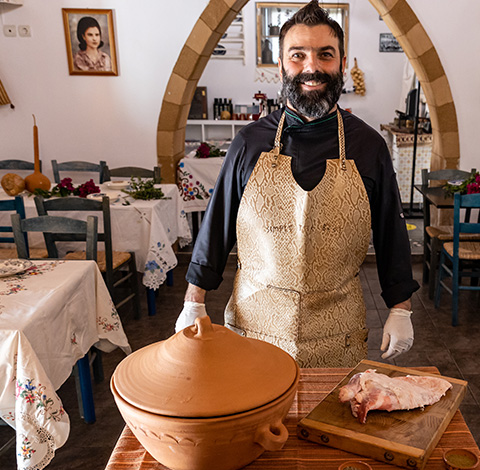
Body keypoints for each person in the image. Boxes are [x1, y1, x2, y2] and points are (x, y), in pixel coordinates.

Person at [176, 0, 419, 367]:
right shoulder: (249, 143)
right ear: (280, 65)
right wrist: (194, 301)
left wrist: (401, 309)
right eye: (298, 55)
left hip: (339, 331)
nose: (312, 68)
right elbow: (218, 225)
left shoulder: (369, 147)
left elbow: (391, 233)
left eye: (325, 55)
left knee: (328, 421)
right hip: (255, 327)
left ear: (341, 63)